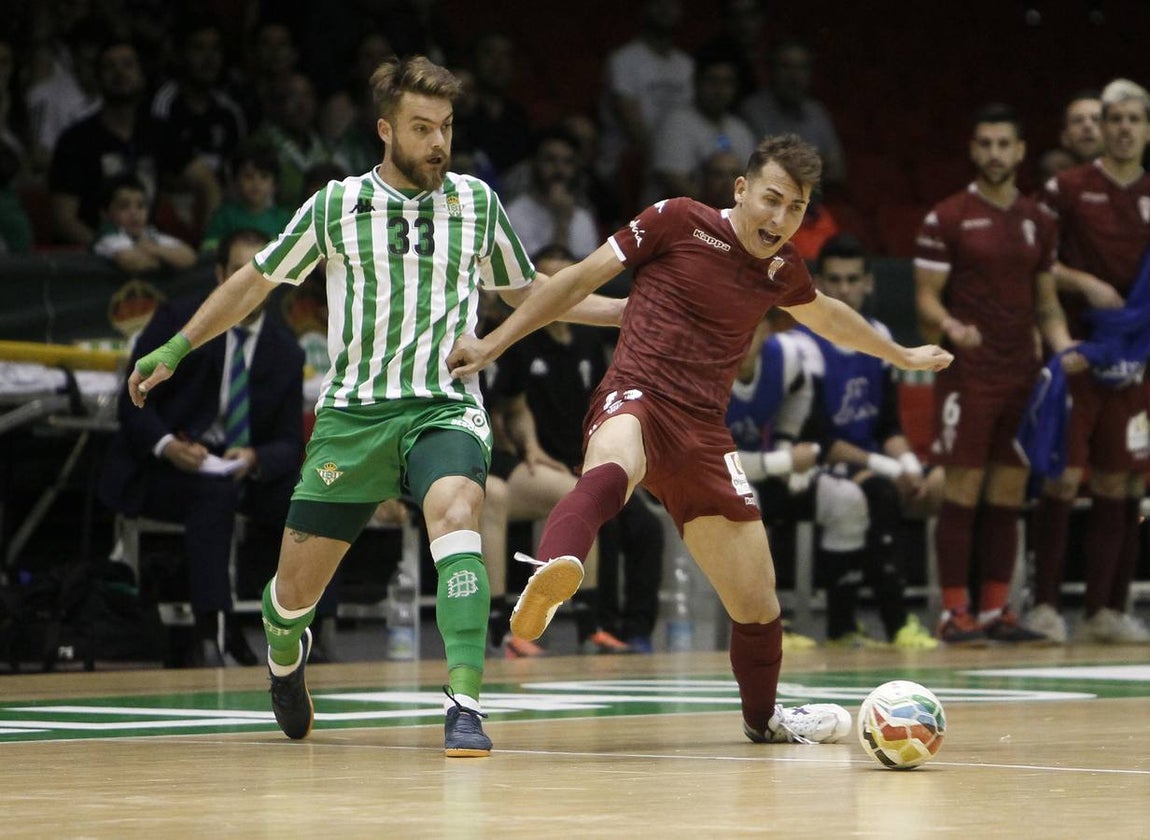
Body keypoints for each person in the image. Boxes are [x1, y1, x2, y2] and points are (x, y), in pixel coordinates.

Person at [125, 56, 622, 756]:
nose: (438, 143)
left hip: (442, 406)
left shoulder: (476, 202)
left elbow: (531, 292)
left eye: (446, 127)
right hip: (353, 417)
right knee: (291, 597)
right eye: (422, 128)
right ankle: (283, 652)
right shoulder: (336, 204)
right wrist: (175, 346)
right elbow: (254, 283)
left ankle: (465, 704)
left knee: (456, 517)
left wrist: (630, 312)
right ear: (386, 130)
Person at [448, 134, 952, 744]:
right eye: (772, 199)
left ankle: (764, 720)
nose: (780, 218)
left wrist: (899, 352)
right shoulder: (677, 219)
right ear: (741, 190)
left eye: (796, 208)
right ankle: (556, 567)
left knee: (759, 602)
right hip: (637, 392)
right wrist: (490, 344)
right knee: (614, 462)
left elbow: (830, 316)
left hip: (704, 435)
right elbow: (578, 280)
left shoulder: (780, 269)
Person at [914, 106, 1083, 644]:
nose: (994, 153)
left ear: (1020, 151)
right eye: (984, 143)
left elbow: (1048, 303)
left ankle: (995, 612)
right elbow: (925, 298)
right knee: (962, 489)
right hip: (968, 375)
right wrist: (951, 328)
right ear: (973, 148)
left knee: (1009, 493)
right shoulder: (948, 216)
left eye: (1003, 144)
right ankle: (952, 613)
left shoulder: (1039, 220)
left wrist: (1063, 351)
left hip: (1021, 374)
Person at [99, 228, 303, 667]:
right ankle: (212, 633)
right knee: (213, 497)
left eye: (260, 271)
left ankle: (310, 633)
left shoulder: (286, 349)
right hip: (167, 470)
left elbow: (291, 442)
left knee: (311, 494)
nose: (250, 282)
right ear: (218, 274)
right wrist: (168, 444)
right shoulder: (180, 320)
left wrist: (255, 458)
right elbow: (131, 403)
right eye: (238, 271)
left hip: (241, 471)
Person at [492, 245, 664, 653]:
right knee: (587, 503)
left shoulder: (589, 340)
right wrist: (529, 448)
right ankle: (523, 627)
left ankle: (627, 630)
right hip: (542, 465)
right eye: (547, 284)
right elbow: (508, 409)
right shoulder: (519, 336)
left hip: (593, 457)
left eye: (566, 282)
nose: (558, 292)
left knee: (645, 527)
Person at [1028, 79, 1150, 644]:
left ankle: (1107, 611)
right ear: (1100, 127)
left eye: (1134, 119)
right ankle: (1045, 606)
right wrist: (1087, 283)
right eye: (1115, 119)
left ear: (1147, 129)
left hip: (1136, 361)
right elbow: (1037, 262)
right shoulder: (1068, 188)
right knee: (1061, 478)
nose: (1124, 128)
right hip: (1079, 354)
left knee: (1120, 480)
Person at [791, 234, 940, 649]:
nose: (843, 289)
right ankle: (892, 623)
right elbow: (819, 438)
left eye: (852, 279)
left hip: (869, 460)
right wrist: (891, 470)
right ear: (819, 285)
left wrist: (909, 467)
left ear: (869, 284)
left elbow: (888, 425)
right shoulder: (803, 344)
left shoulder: (880, 336)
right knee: (879, 492)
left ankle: (961, 611)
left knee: (935, 482)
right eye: (834, 280)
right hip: (816, 463)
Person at [48, 38, 221, 247]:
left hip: (149, 250)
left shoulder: (159, 131)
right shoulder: (76, 140)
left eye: (128, 64)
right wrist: (109, 250)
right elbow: (63, 219)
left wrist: (209, 242)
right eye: (109, 66)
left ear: (141, 75)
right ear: (98, 78)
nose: (119, 73)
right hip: (93, 261)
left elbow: (208, 183)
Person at [739, 39, 846, 190]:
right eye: (786, 67)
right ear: (771, 71)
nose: (794, 76)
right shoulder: (752, 110)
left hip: (810, 202)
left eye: (801, 68)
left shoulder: (816, 112)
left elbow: (837, 171)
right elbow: (753, 170)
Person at [651, 51, 756, 201]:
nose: (719, 90)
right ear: (696, 83)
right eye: (712, 81)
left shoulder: (740, 129)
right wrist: (716, 214)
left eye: (727, 82)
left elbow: (751, 182)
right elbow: (673, 181)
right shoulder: (675, 123)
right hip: (676, 218)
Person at [505, 126, 601, 259]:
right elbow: (541, 273)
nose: (559, 169)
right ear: (534, 163)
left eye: (567, 162)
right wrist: (561, 222)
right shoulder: (513, 216)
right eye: (550, 160)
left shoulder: (583, 219)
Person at [199, 139, 293, 253]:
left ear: (275, 185)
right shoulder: (224, 216)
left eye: (264, 177)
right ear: (235, 181)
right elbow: (207, 250)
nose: (256, 183)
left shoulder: (283, 219)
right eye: (248, 176)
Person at [92, 173, 197, 273]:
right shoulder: (107, 236)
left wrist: (153, 249)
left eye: (141, 206)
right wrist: (168, 259)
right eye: (124, 206)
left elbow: (189, 257)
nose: (134, 213)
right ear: (106, 214)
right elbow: (134, 262)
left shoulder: (149, 234)